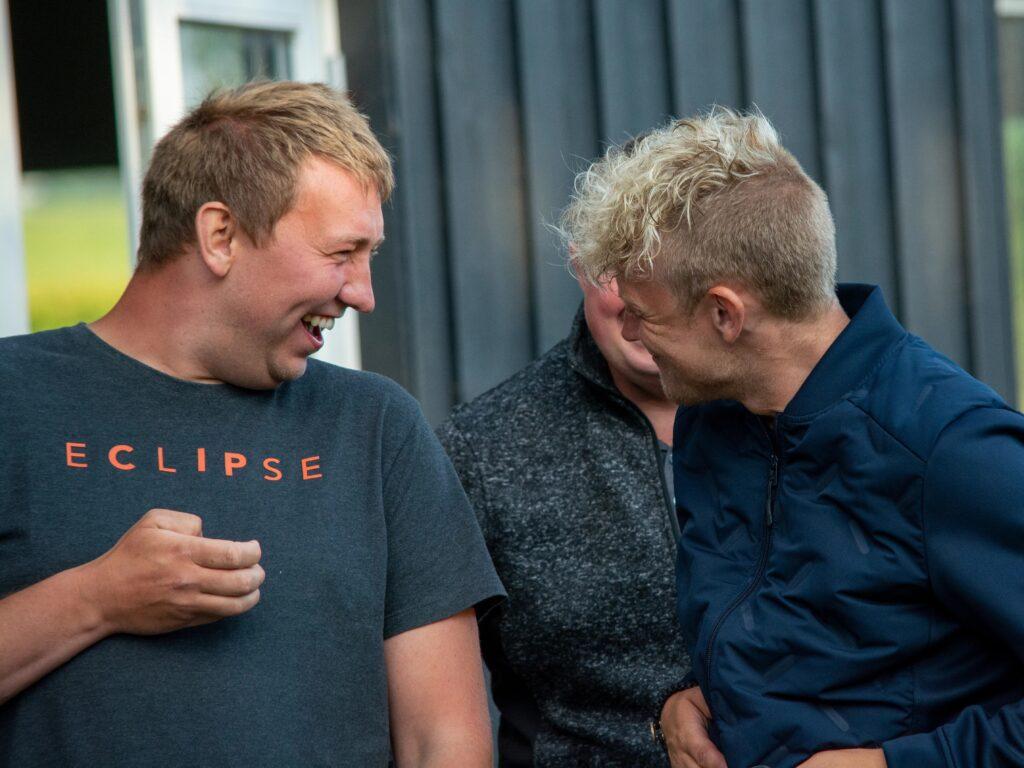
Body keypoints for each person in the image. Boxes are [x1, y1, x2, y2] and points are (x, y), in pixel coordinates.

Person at [0, 81, 504, 767]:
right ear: (221, 236)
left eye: (370, 257)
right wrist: (96, 599)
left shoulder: (376, 428)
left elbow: (442, 740)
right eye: (341, 254)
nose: (363, 293)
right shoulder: (14, 397)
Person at [564, 107, 1024, 768]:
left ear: (725, 313)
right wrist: (687, 702)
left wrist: (893, 765)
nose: (629, 333)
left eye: (643, 314)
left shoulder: (955, 450)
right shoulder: (714, 417)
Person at [437, 262, 692, 765]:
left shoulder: (798, 412)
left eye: (676, 265)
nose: (649, 296)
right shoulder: (482, 448)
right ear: (580, 262)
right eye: (624, 267)